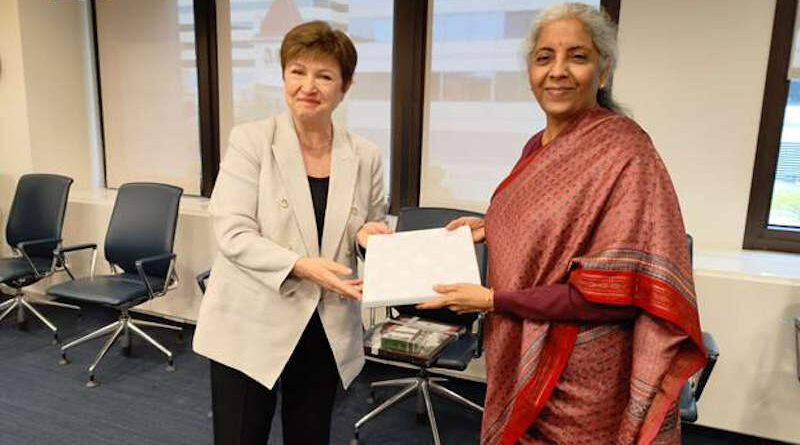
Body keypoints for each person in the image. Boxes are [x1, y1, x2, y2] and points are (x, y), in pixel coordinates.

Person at [418, 4, 706, 444]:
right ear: (530, 71)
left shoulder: (626, 152)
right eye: (544, 57)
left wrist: (495, 300)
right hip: (518, 350)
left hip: (584, 374)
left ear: (603, 71)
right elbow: (551, 227)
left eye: (577, 56)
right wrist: (490, 224)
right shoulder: (538, 145)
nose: (557, 71)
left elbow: (620, 295)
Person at [192, 21, 391, 445]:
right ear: (283, 75)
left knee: (309, 436)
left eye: (325, 75)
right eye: (298, 71)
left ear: (345, 86)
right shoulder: (251, 141)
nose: (308, 85)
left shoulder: (366, 156)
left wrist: (369, 236)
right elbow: (232, 231)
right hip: (251, 320)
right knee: (240, 436)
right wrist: (301, 266)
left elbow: (368, 223)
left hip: (324, 325)